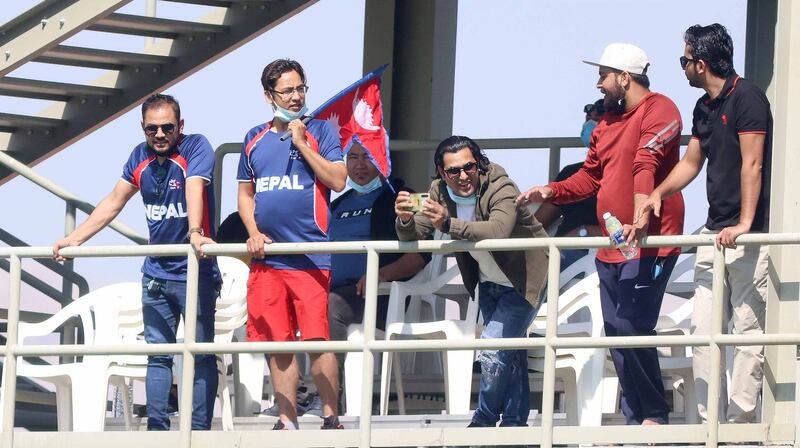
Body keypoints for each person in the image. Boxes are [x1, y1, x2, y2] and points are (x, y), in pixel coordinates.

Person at [517, 43, 685, 426]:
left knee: (631, 325)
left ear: (624, 78)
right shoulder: (606, 123)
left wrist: (642, 215)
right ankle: (636, 416)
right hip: (613, 244)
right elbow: (591, 177)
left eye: (602, 76)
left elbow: (647, 161)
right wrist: (551, 190)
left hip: (652, 242)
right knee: (615, 331)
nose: (597, 84)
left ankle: (655, 415)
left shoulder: (661, 108)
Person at [53, 93, 220, 431]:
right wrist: (76, 239)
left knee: (200, 355)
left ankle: (201, 434)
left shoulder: (196, 147)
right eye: (151, 129)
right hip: (155, 274)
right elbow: (114, 201)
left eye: (167, 128)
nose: (160, 135)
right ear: (143, 130)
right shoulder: (139, 157)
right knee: (158, 355)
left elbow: (194, 187)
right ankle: (157, 431)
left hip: (194, 271)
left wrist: (196, 232)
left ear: (180, 126)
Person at [636, 23, 772, 424]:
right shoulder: (704, 107)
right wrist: (659, 192)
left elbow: (753, 162)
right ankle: (707, 421)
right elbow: (692, 162)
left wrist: (746, 222)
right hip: (714, 232)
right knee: (704, 331)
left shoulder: (748, 98)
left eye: (684, 60)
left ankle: (740, 421)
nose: (681, 68)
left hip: (749, 233)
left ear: (701, 63)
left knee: (748, 329)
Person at [395, 135, 548, 428]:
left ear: (479, 163)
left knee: (492, 349)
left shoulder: (501, 184)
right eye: (454, 171)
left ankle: (483, 421)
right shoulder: (439, 191)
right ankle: (515, 426)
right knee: (510, 354)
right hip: (489, 282)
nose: (463, 176)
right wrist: (404, 219)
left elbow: (499, 229)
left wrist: (448, 224)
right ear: (442, 172)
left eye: (470, 167)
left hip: (524, 279)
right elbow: (415, 232)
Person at [237, 58, 347, 431]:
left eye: (301, 88)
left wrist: (302, 143)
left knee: (318, 339)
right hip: (268, 259)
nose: (297, 96)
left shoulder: (323, 131)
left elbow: (337, 180)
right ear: (270, 95)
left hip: (310, 256)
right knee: (278, 344)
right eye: (288, 90)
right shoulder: (254, 138)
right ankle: (287, 419)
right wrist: (252, 230)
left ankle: (331, 415)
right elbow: (245, 195)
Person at [534, 99, 605, 269]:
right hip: (562, 252)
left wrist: (584, 232)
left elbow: (631, 228)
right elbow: (537, 224)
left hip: (598, 254)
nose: (590, 123)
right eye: (588, 118)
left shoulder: (627, 175)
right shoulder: (570, 172)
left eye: (598, 118)